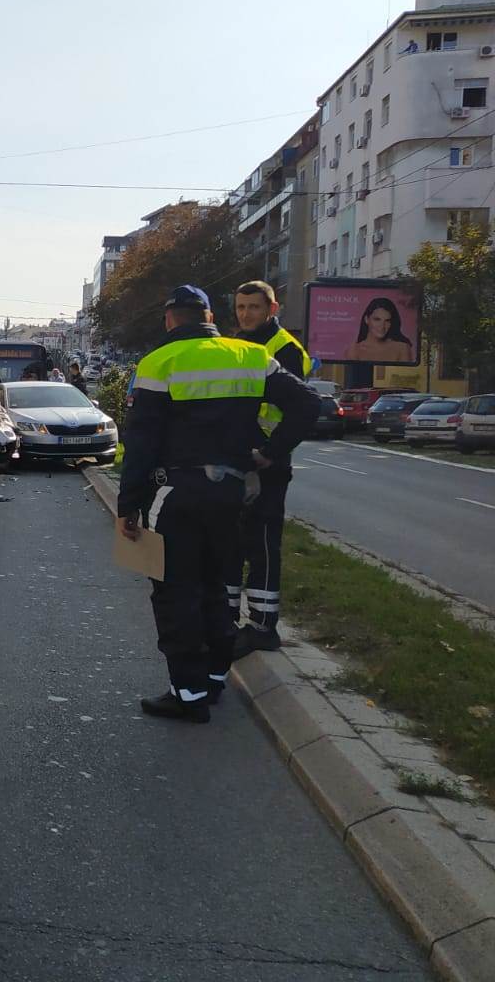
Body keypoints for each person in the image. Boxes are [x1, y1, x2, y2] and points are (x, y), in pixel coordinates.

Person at [117, 285, 318, 723]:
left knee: (175, 591)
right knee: (216, 585)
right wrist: (270, 452)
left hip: (176, 493)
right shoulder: (249, 355)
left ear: (171, 319)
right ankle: (212, 678)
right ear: (209, 316)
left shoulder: (159, 363)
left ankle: (187, 694)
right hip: (232, 492)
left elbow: (141, 442)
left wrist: (128, 505)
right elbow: (308, 403)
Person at [231, 281, 312, 656]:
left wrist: (272, 451)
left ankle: (263, 628)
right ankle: (228, 618)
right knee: (231, 544)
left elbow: (303, 408)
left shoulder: (285, 350)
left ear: (272, 309)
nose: (246, 314)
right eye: (241, 307)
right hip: (237, 460)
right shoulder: (239, 345)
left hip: (267, 463)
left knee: (262, 546)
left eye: (254, 307)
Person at [349, 297, 413, 363]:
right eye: (377, 319)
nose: (382, 326)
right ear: (366, 319)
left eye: (387, 321)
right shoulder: (354, 350)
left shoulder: (402, 348)